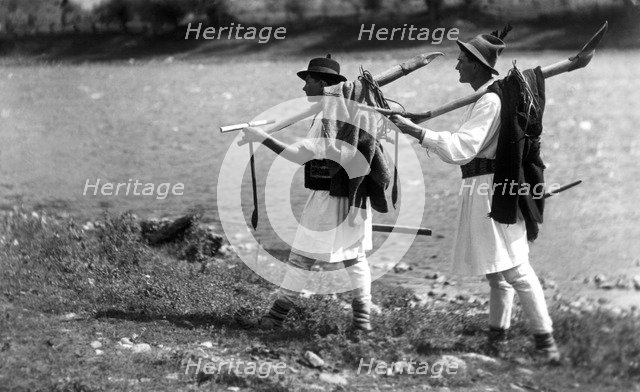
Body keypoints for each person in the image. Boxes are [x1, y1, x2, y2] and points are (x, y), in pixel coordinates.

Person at [390, 32, 560, 363]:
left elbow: (461, 148)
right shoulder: (488, 98)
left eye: (462, 61)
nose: (456, 66)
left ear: (477, 66)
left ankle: (546, 344)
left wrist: (414, 131)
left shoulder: (490, 101)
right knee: (498, 273)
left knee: (517, 271)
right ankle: (498, 340)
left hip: (493, 189)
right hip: (482, 186)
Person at [236, 55, 391, 334]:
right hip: (355, 197)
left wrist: (261, 138)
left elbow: (296, 156)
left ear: (322, 84)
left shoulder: (327, 118)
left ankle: (274, 319)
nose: (304, 88)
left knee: (301, 259)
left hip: (328, 198)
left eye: (308, 81)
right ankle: (362, 324)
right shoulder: (345, 112)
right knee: (355, 259)